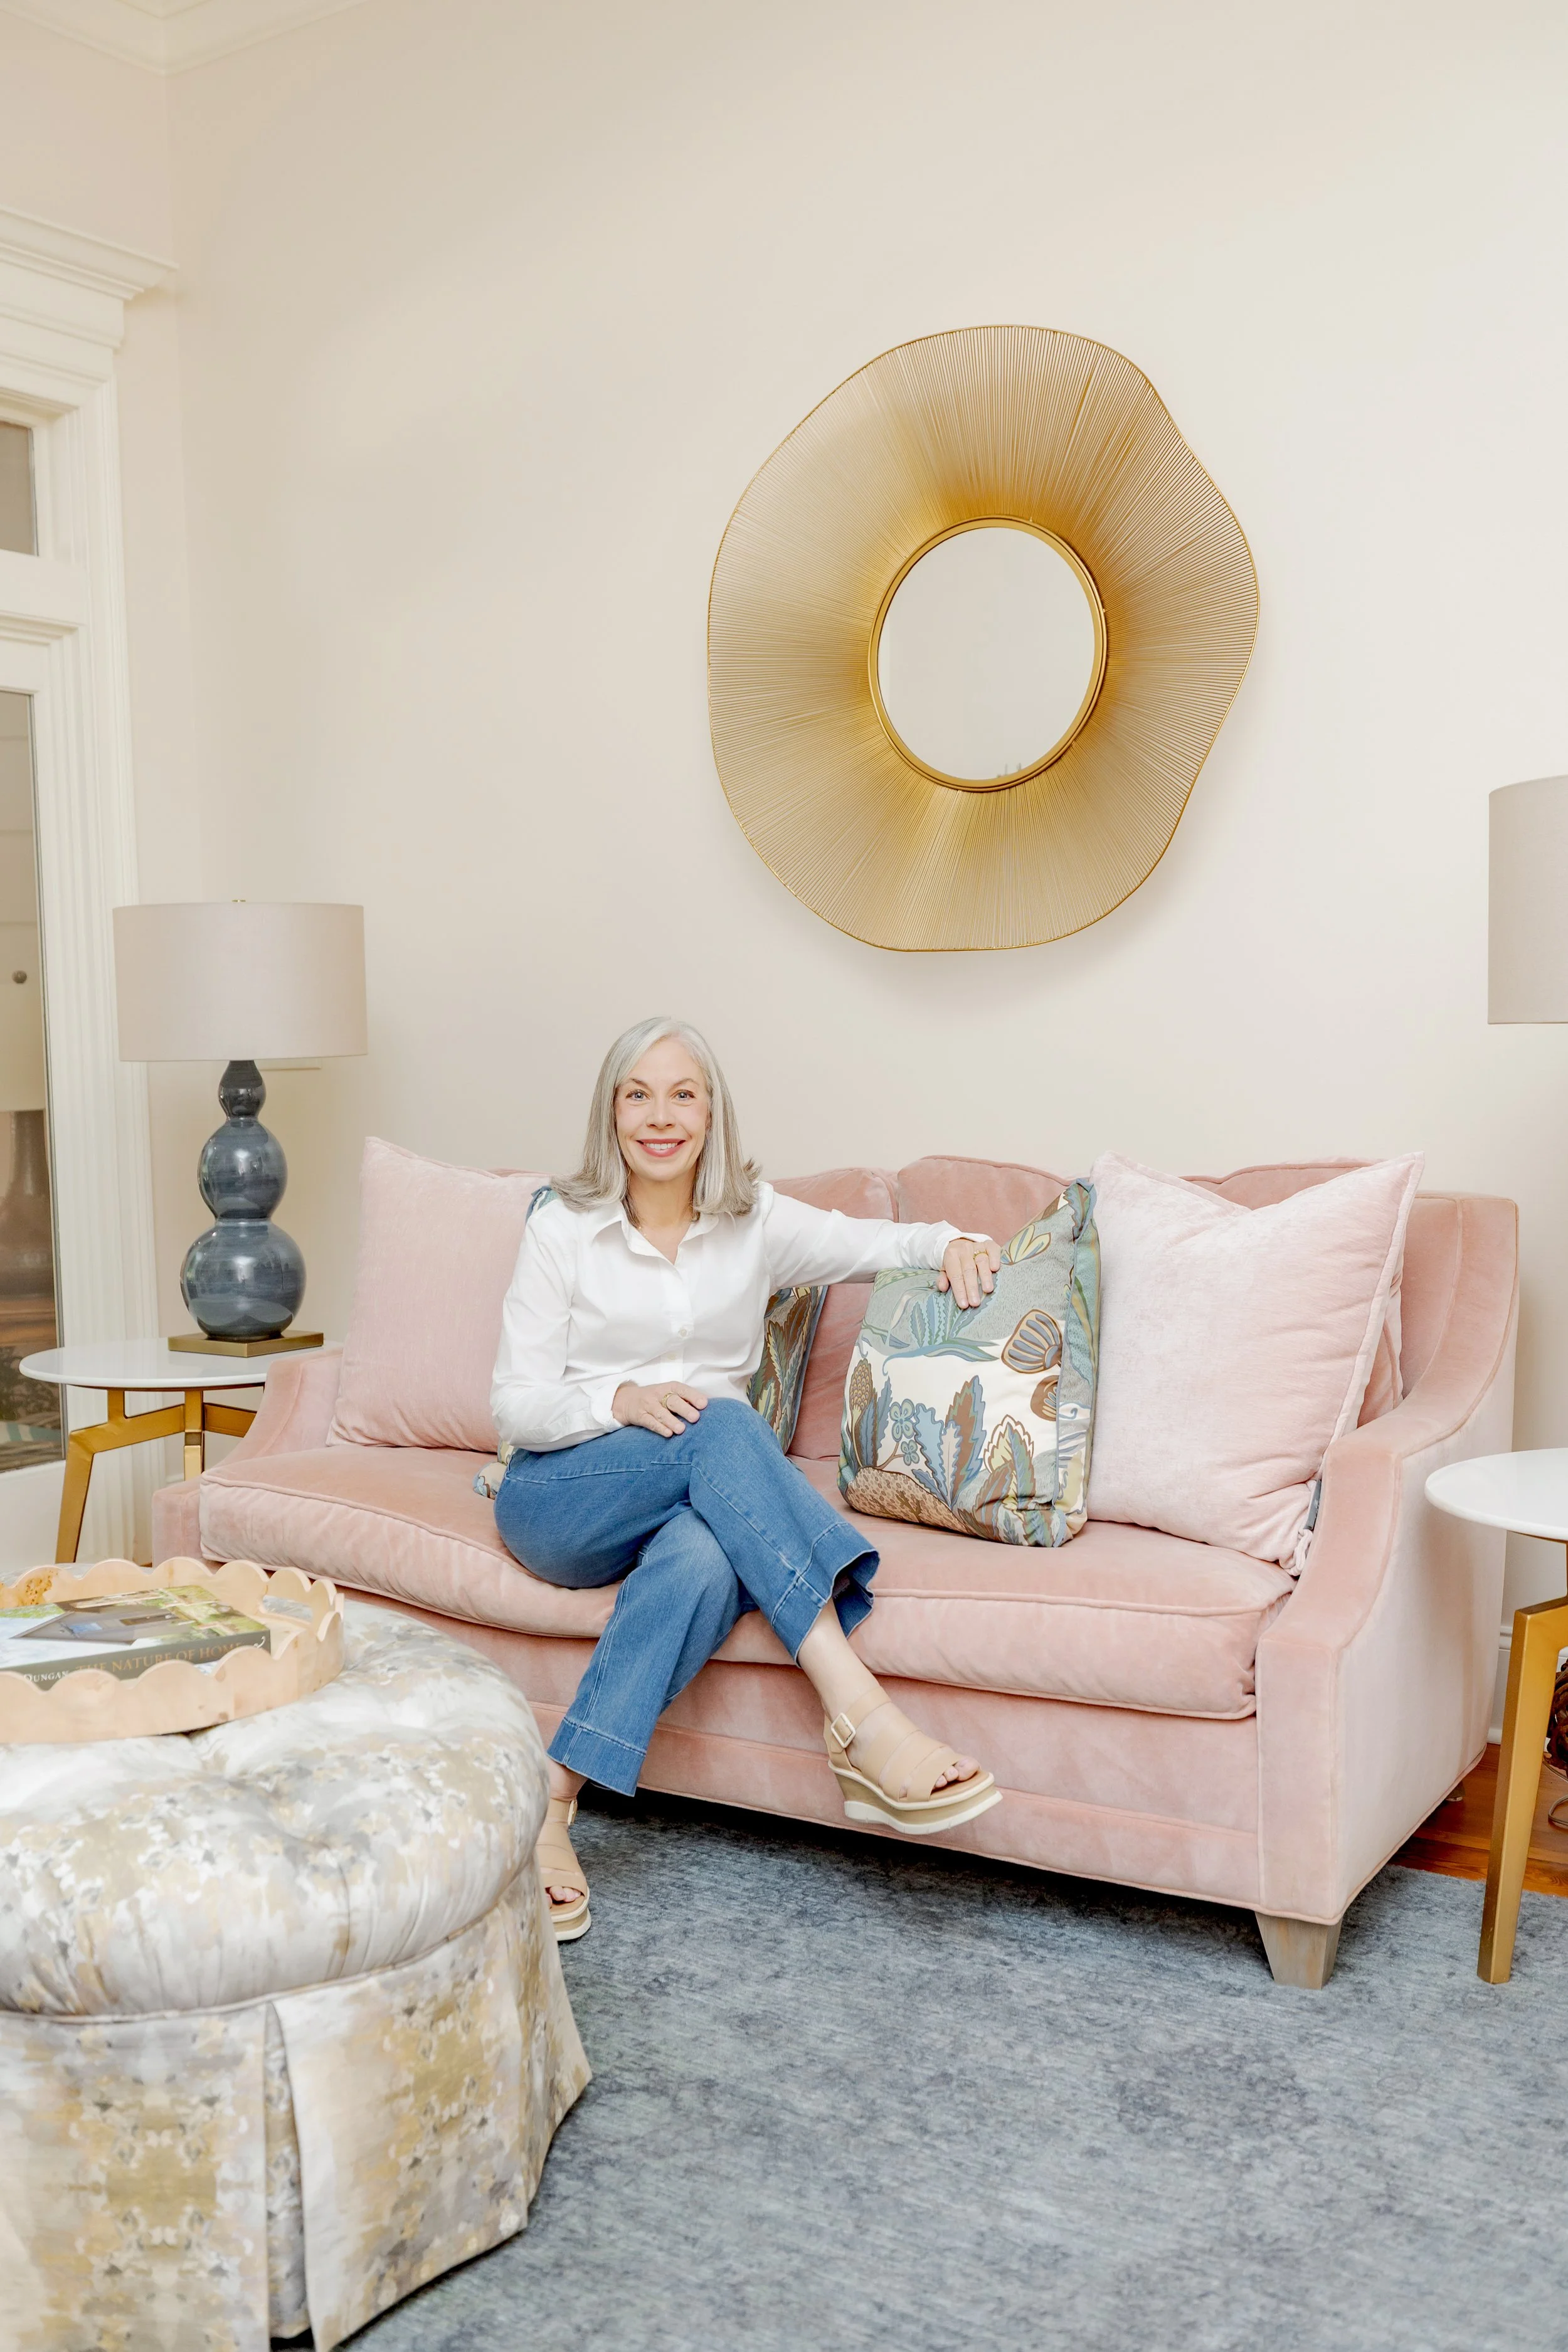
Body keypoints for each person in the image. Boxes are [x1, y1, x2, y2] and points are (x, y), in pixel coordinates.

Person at [490, 1015, 1003, 1940]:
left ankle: (552, 1802)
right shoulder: (562, 1226)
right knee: (724, 1420)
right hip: (560, 1493)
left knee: (702, 1556)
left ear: (711, 1113)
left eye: (683, 1094)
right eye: (638, 1094)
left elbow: (871, 1243)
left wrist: (951, 1242)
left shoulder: (753, 1220)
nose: (661, 1116)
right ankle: (859, 1713)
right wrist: (621, 1399)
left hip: (693, 1497)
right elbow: (516, 1404)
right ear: (611, 1112)